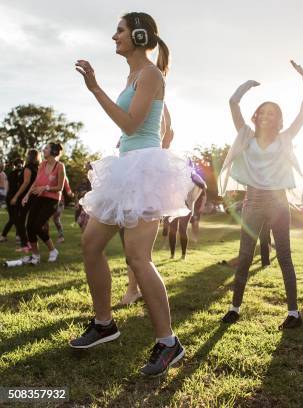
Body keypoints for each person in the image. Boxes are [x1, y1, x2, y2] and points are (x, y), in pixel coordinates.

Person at [68, 12, 194, 377]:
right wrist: (138, 140)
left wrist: (94, 89)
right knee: (91, 245)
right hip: (127, 169)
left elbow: (131, 123)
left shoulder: (151, 73)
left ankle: (169, 344)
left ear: (139, 35)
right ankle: (104, 323)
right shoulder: (136, 76)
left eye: (120, 31)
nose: (114, 37)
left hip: (144, 174)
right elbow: (154, 125)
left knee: (137, 258)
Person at [218, 60, 303, 329]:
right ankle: (235, 308)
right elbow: (233, 103)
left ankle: (294, 313)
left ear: (279, 120)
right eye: (264, 112)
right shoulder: (245, 135)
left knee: (284, 255)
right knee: (245, 256)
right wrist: (246, 86)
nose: (268, 116)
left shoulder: (285, 138)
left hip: (279, 203)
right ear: (256, 117)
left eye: (273, 113)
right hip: (253, 201)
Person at [21, 142, 66, 265]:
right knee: (29, 226)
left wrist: (45, 188)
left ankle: (53, 251)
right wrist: (26, 195)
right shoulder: (42, 165)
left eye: (46, 148)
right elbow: (35, 183)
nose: (43, 150)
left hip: (52, 200)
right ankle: (35, 256)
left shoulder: (60, 166)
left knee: (37, 226)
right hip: (39, 198)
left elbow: (60, 187)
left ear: (53, 152)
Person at [12, 150, 39, 252]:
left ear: (29, 156)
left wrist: (16, 196)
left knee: (19, 220)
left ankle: (26, 244)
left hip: (25, 197)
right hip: (33, 196)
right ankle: (27, 243)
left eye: (27, 154)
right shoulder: (37, 168)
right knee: (23, 220)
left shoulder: (28, 168)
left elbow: (26, 183)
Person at [1, 158, 24, 243]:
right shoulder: (23, 173)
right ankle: (17, 236)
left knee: (13, 218)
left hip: (9, 198)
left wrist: (5, 199)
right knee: (16, 218)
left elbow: (7, 188)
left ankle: (5, 236)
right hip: (16, 198)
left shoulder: (10, 174)